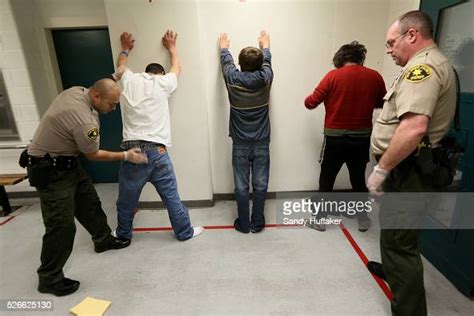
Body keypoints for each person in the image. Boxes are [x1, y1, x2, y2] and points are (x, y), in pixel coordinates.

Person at [23, 78, 148, 296]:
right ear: (97, 96)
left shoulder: (78, 91)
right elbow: (93, 154)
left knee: (89, 202)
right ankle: (49, 278)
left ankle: (103, 240)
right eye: (111, 104)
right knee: (61, 225)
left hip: (67, 162)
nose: (113, 108)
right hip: (50, 171)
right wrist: (127, 155)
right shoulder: (84, 120)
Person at [367, 11, 456, 315]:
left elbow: (415, 127)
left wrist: (381, 169)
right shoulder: (426, 64)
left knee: (399, 244)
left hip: (410, 170)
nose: (389, 50)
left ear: (412, 35)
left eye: (392, 43)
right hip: (407, 168)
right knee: (397, 236)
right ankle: (393, 270)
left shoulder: (424, 68)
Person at [113, 31, 204, 241]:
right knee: (171, 197)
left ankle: (123, 235)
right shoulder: (163, 83)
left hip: (132, 151)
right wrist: (171, 46)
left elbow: (121, 66)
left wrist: (125, 47)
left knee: (127, 199)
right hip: (157, 151)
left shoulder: (130, 80)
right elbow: (177, 68)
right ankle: (184, 232)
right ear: (160, 74)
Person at [304, 41, 386, 232]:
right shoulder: (375, 76)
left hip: (335, 138)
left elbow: (310, 103)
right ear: (360, 58)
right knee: (358, 179)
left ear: (340, 58)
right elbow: (383, 102)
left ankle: (320, 220)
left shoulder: (333, 76)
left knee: (327, 179)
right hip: (361, 138)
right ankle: (363, 219)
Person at [218, 31, 273, 234]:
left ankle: (244, 224)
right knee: (260, 184)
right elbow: (267, 62)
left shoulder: (233, 78)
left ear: (241, 64)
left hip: (240, 142)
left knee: (241, 186)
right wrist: (265, 46)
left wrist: (224, 47)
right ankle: (257, 223)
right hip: (261, 142)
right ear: (259, 65)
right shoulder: (266, 78)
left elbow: (227, 65)